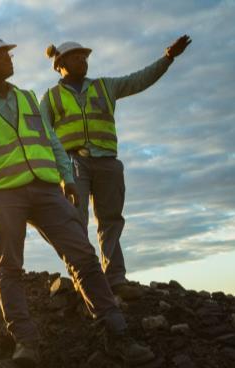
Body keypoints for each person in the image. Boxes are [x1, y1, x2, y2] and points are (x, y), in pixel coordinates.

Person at [0, 35, 155, 366]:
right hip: (4, 196)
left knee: (84, 257)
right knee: (10, 269)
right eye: (1, 55)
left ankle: (117, 333)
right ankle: (26, 344)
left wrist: (68, 177)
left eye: (8, 52)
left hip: (48, 189)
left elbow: (52, 141)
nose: (9, 58)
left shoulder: (29, 98)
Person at [41, 35, 192, 300]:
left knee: (110, 220)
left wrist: (167, 58)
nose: (83, 60)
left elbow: (139, 80)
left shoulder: (105, 86)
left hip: (107, 162)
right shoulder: (51, 98)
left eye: (85, 56)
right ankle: (84, 277)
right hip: (72, 162)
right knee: (76, 219)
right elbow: (41, 135)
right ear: (60, 64)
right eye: (76, 56)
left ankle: (114, 277)